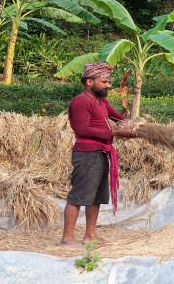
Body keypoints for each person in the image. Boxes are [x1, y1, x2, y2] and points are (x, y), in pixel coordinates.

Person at [59, 62, 136, 248]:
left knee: (95, 197)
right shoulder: (81, 101)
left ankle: (90, 235)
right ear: (89, 81)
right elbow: (82, 129)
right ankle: (67, 239)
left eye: (108, 81)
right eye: (104, 82)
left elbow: (118, 117)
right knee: (78, 197)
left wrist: (138, 125)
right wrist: (116, 133)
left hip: (101, 154)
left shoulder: (101, 101)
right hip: (86, 155)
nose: (108, 85)